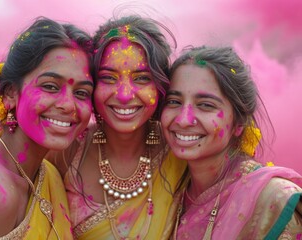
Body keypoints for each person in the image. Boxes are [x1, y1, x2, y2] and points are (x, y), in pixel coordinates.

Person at [0, 17, 94, 239]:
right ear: (11, 93)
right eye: (50, 87)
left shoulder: (43, 171)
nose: (68, 105)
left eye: (82, 93)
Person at [49, 15, 187, 239]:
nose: (124, 95)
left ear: (161, 86)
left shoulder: (181, 149)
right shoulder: (67, 149)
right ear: (91, 83)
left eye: (142, 78)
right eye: (108, 78)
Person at [161, 46, 302, 239]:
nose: (183, 120)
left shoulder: (273, 201)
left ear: (238, 124)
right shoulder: (164, 191)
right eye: (174, 101)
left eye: (205, 105)